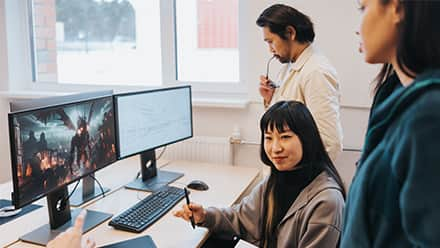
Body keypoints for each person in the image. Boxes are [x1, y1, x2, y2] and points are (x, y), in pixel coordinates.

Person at [175, 101, 346, 247]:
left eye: (285, 137)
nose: (275, 148)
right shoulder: (275, 180)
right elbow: (241, 218)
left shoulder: (327, 201)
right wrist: (204, 216)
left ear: (306, 139)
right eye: (269, 138)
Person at [341, 0, 440, 247]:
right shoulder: (397, 96)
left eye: (363, 8)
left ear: (397, 8)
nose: (358, 27)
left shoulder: (428, 115)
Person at [256, 4, 343, 163]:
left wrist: (299, 178)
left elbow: (330, 142)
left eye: (271, 42)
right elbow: (285, 123)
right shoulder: (290, 66)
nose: (270, 50)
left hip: (301, 179)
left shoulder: (316, 72)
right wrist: (270, 100)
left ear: (290, 33)